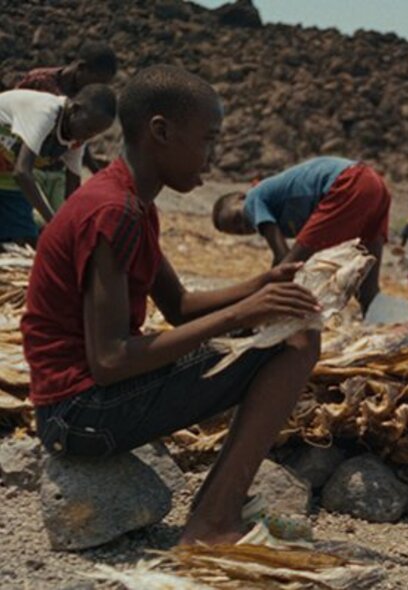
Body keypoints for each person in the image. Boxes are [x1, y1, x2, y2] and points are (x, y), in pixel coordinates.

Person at [21, 65, 322, 546]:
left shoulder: (134, 204)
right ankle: (213, 521)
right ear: (160, 131)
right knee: (296, 341)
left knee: (286, 327)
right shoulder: (112, 211)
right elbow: (111, 361)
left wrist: (261, 283)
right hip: (78, 414)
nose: (212, 156)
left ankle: (215, 512)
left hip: (77, 408)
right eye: (208, 139)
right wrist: (244, 314)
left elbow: (180, 306)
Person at [211, 156, 390, 313]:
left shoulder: (253, 198)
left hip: (348, 182)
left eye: (236, 218)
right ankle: (380, 326)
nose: (245, 225)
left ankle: (248, 318)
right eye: (240, 232)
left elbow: (284, 260)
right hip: (375, 186)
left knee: (289, 268)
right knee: (367, 286)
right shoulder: (282, 216)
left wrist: (252, 298)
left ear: (240, 198)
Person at [0, 85, 116, 245]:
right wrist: (54, 223)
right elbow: (22, 173)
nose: (89, 136)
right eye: (89, 128)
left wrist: (77, 226)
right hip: (11, 173)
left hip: (6, 179)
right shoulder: (46, 113)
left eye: (95, 133)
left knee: (25, 239)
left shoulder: (76, 139)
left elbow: (72, 190)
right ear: (75, 109)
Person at [17, 42, 118, 177]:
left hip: (53, 167)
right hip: (21, 159)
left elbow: (79, 137)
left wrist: (97, 172)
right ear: (81, 68)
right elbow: (13, 112)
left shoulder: (87, 97)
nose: (98, 88)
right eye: (97, 82)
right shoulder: (40, 81)